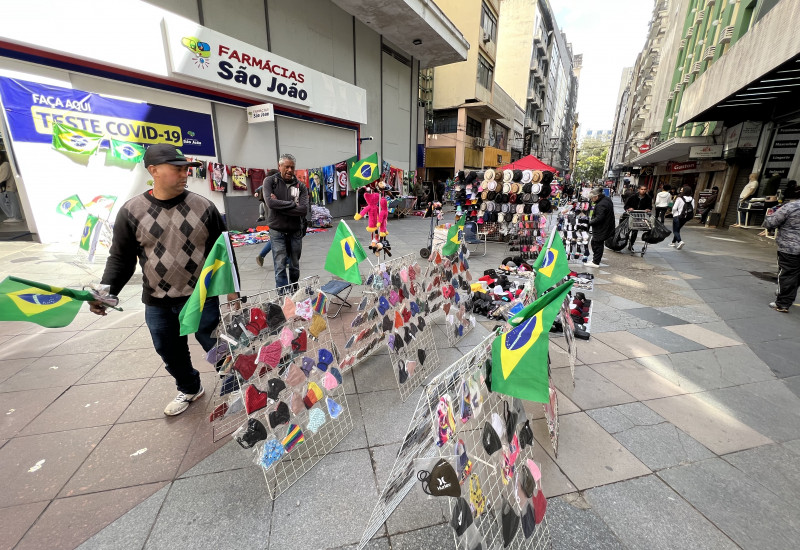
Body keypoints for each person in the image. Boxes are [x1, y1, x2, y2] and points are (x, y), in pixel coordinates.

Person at [89, 144, 234, 416]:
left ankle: (237, 383)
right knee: (169, 351)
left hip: (200, 295)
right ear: (153, 170)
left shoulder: (204, 207)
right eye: (177, 169)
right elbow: (120, 259)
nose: (184, 175)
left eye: (185, 169)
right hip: (157, 301)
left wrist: (234, 293)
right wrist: (104, 295)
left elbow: (224, 254)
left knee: (217, 344)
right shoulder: (131, 211)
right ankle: (190, 388)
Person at [265, 153, 309, 292]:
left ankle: (295, 292)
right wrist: (292, 205)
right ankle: (283, 297)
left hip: (295, 231)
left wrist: (280, 206)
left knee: (295, 266)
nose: (290, 170)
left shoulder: (301, 186)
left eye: (292, 167)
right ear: (280, 167)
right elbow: (270, 203)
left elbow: (303, 210)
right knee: (280, 266)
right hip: (277, 232)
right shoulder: (270, 181)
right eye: (287, 167)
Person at [763, 199, 800, 313]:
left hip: (791, 247)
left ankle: (783, 304)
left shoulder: (792, 206)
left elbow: (771, 222)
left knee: (788, 273)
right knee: (795, 275)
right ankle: (786, 297)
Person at [255, 169, 280, 267]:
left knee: (276, 239)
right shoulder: (271, 189)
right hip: (276, 219)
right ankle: (283, 261)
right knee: (277, 240)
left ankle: (262, 255)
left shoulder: (265, 188)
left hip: (272, 219)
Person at [585, 187, 615, 268]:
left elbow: (599, 218)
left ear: (596, 196)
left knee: (597, 243)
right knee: (596, 242)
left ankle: (596, 262)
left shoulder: (601, 204)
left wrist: (589, 223)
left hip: (602, 227)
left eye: (592, 198)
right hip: (606, 226)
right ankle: (595, 259)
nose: (591, 200)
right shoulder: (606, 199)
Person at [624, 184, 653, 253]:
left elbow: (650, 206)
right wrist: (629, 208)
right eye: (642, 189)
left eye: (644, 189)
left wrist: (648, 209)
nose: (643, 191)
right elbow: (626, 206)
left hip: (640, 216)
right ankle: (624, 241)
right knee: (627, 230)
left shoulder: (648, 198)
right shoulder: (633, 197)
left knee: (635, 231)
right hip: (631, 215)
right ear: (638, 190)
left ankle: (631, 244)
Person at [670, 185, 695, 250]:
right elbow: (693, 208)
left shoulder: (679, 198)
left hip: (677, 216)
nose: (680, 191)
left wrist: (673, 213)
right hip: (686, 217)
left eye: (681, 190)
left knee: (675, 230)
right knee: (678, 229)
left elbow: (675, 208)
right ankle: (673, 242)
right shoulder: (692, 199)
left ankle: (680, 241)